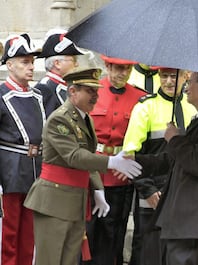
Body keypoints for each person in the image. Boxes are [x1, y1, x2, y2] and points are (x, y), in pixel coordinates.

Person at [23, 67, 142, 265]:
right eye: (90, 91)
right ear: (73, 91)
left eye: (96, 90)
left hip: (74, 200)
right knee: (51, 260)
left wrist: (98, 189)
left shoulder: (84, 119)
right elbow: (75, 156)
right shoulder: (61, 119)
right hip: (55, 202)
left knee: (69, 259)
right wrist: (112, 162)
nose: (96, 96)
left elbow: (88, 154)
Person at [123, 67, 196, 265]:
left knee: (179, 250)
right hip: (152, 193)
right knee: (148, 251)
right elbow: (130, 154)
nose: (169, 81)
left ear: (186, 75)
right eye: (164, 76)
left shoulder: (193, 107)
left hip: (184, 191)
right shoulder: (146, 107)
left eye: (174, 76)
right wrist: (147, 189)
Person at [84, 55, 147, 265]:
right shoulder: (93, 91)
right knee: (90, 230)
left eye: (127, 69)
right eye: (118, 68)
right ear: (107, 66)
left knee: (115, 232)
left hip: (121, 174)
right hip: (94, 170)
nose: (123, 73)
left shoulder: (140, 97)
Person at [0, 33, 44, 265]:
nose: (31, 67)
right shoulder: (1, 95)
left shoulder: (37, 95)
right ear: (9, 65)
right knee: (9, 235)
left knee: (29, 235)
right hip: (10, 171)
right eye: (25, 62)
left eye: (32, 62)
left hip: (34, 170)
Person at [35, 29, 84, 117]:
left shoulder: (67, 85)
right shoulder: (45, 88)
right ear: (57, 63)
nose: (76, 64)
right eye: (74, 60)